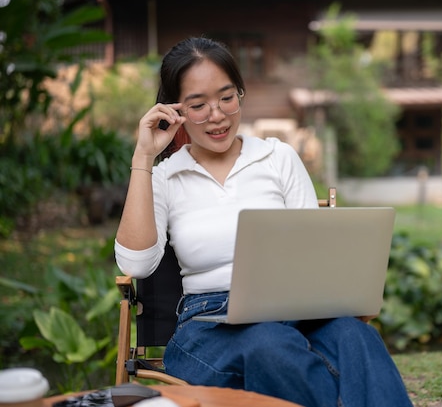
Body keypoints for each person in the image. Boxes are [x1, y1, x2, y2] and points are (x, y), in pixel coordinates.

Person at [114, 36, 413, 407]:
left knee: (357, 338)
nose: (218, 114)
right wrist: (144, 157)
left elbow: (314, 248)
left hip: (294, 313)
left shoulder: (278, 158)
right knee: (270, 344)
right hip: (209, 326)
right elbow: (135, 264)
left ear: (240, 92)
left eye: (226, 97)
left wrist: (344, 292)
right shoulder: (164, 178)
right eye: (198, 104)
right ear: (174, 110)